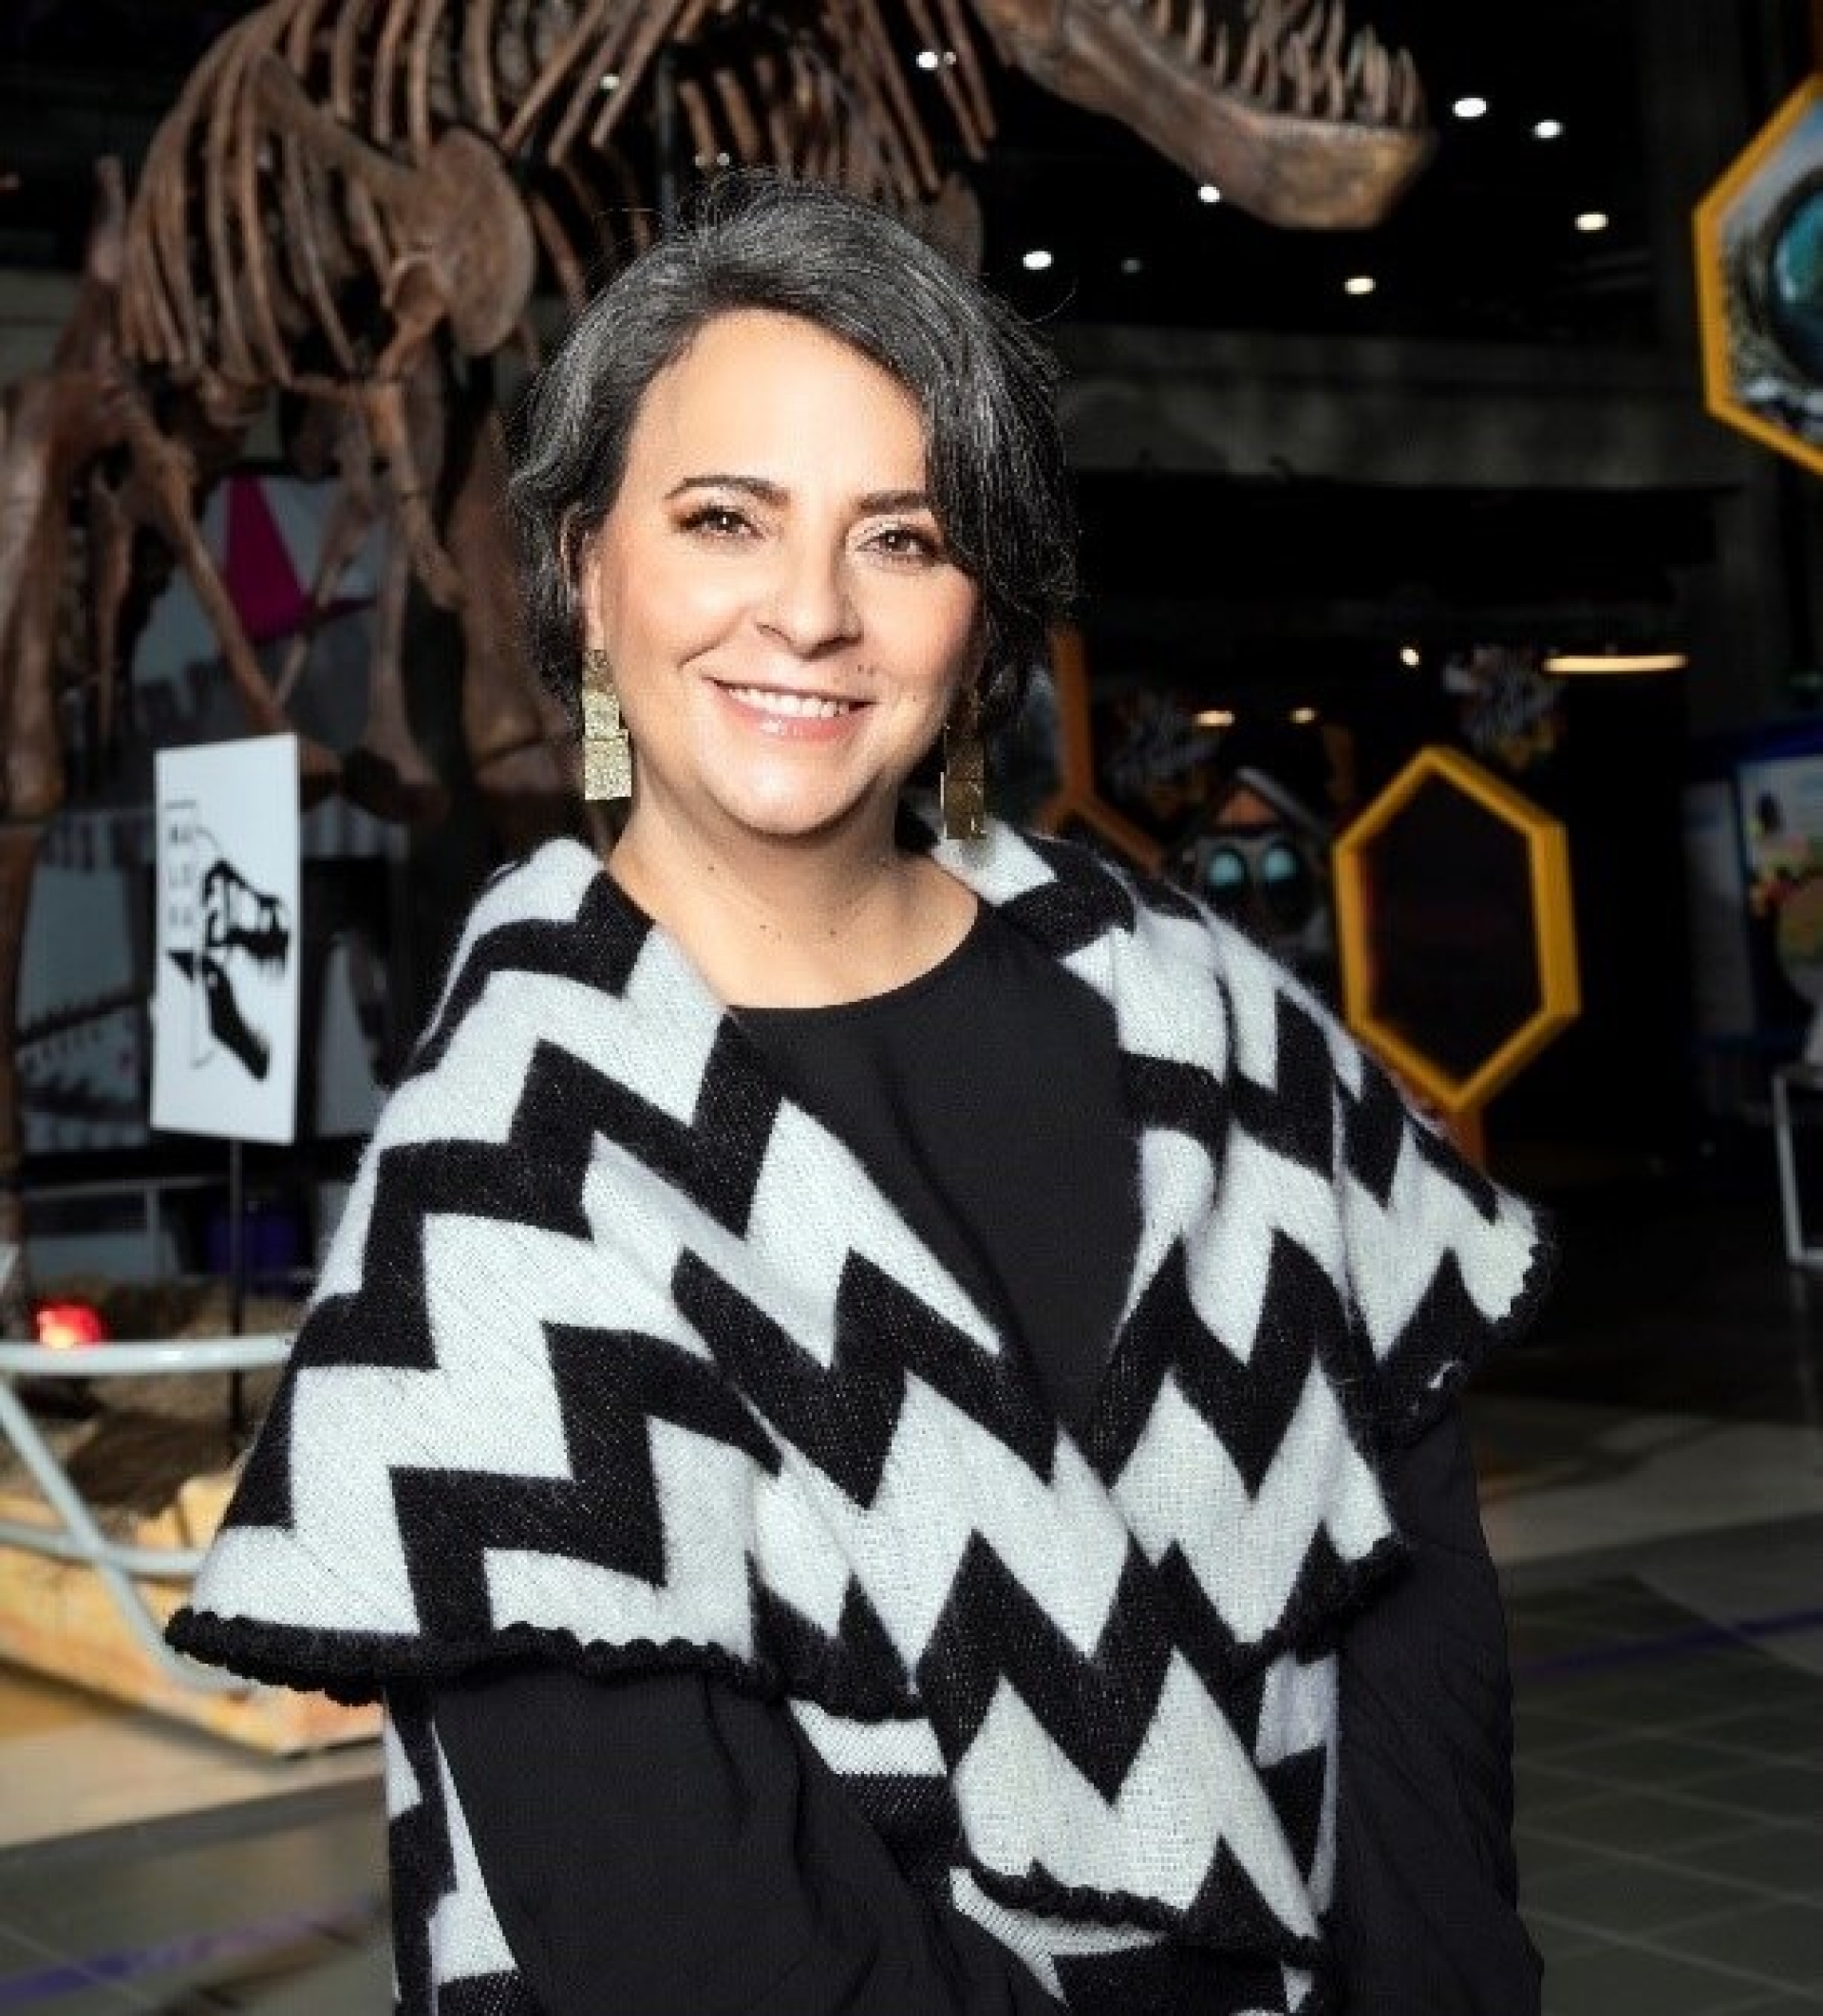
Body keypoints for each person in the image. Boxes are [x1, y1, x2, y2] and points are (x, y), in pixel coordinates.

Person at [170, 174, 1550, 2014]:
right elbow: (690, 1935)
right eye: (724, 518)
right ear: (587, 570)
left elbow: (1420, 1617)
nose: (811, 614)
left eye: (901, 537)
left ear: (982, 608)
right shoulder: (503, 1188)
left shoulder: (1214, 1027)